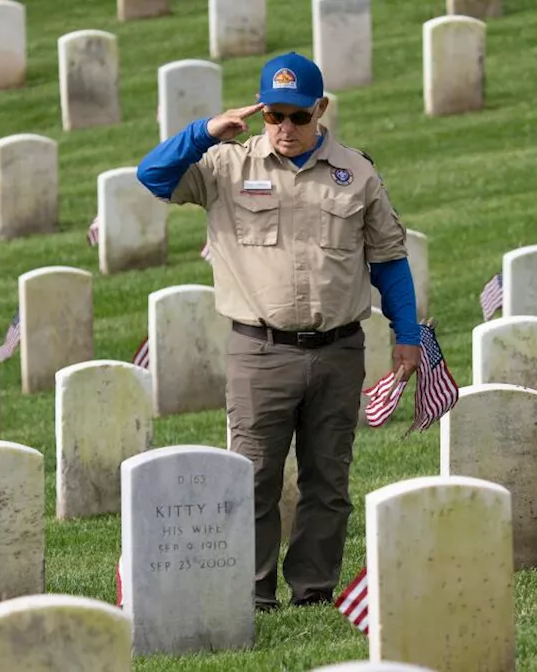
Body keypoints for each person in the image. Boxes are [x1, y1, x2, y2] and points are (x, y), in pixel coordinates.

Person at [135, 51, 421, 611]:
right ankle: (253, 590)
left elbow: (388, 258)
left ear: (321, 109)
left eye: (297, 116)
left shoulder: (356, 173)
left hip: (339, 350)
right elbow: (152, 176)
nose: (285, 129)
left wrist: (406, 334)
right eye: (273, 115)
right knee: (252, 478)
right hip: (259, 352)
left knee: (328, 481)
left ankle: (313, 591)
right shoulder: (225, 167)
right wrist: (203, 131)